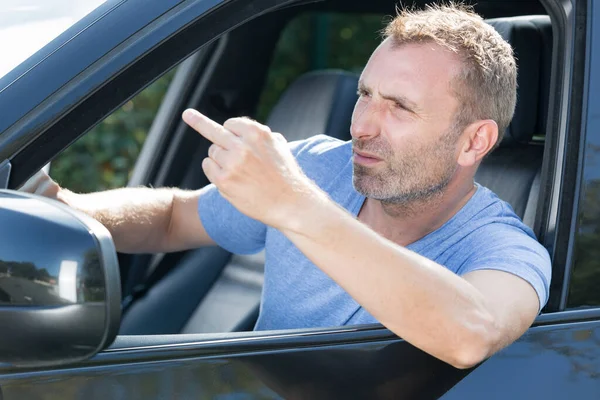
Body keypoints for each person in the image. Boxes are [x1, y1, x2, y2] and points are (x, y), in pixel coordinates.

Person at [21, 4, 551, 369]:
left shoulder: (502, 248)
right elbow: (172, 216)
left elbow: (471, 333)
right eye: (366, 94)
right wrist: (62, 205)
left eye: (400, 107)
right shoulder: (319, 167)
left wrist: (293, 205)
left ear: (473, 141)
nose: (362, 123)